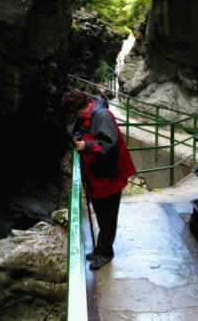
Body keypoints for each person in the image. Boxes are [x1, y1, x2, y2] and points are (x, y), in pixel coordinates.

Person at [62, 89, 136, 270]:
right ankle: (100, 249)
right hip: (98, 175)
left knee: (107, 216)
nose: (74, 116)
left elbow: (109, 145)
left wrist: (86, 145)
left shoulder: (102, 116)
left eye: (74, 112)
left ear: (81, 107)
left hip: (109, 176)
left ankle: (105, 253)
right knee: (102, 214)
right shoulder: (88, 115)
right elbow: (82, 131)